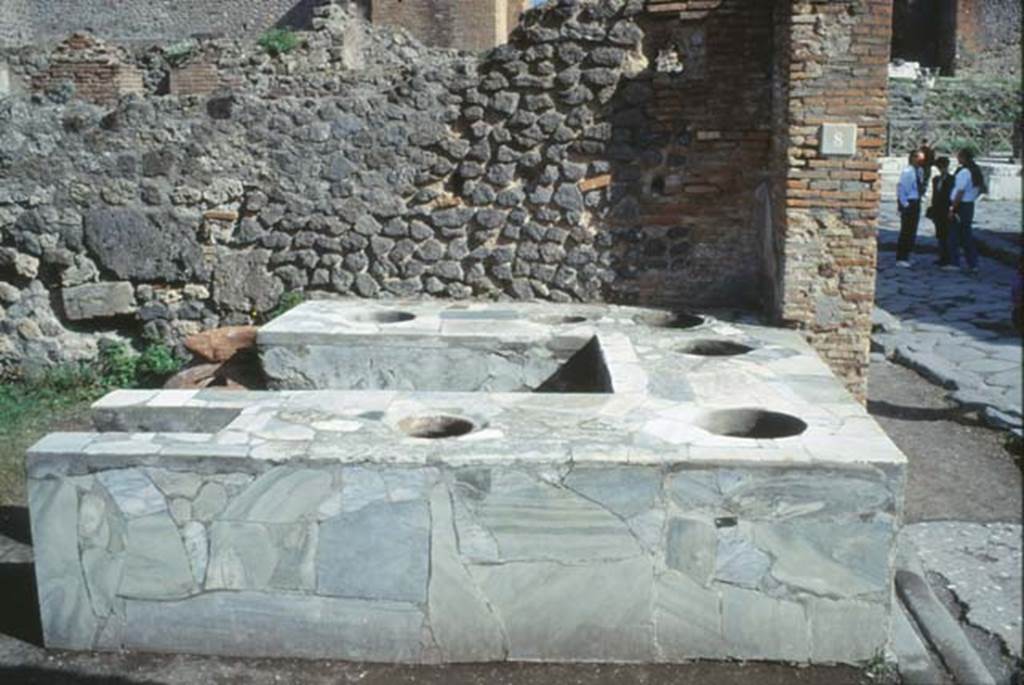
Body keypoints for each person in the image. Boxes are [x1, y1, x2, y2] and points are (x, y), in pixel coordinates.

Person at [944, 147, 987, 274]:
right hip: (969, 205)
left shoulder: (964, 172)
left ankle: (954, 262)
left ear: (963, 157)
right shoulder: (976, 171)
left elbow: (960, 191)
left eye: (959, 156)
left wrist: (952, 208)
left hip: (960, 205)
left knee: (954, 234)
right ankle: (973, 264)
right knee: (966, 235)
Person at [896, 149, 925, 267]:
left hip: (916, 201)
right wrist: (905, 204)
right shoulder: (907, 172)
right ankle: (901, 257)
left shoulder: (919, 171)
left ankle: (908, 254)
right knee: (906, 230)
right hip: (909, 202)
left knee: (913, 230)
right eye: (919, 158)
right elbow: (902, 189)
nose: (921, 161)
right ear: (913, 158)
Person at [926, 156, 954, 265]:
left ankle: (948, 257)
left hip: (946, 209)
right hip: (938, 209)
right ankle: (942, 256)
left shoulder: (951, 179)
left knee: (947, 234)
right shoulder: (936, 179)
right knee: (940, 235)